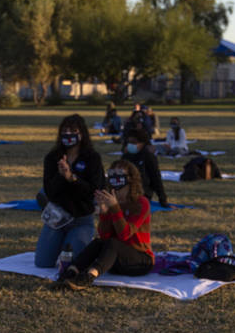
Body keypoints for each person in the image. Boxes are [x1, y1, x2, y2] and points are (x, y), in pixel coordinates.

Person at [56, 160, 153, 289]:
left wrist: (114, 208)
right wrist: (104, 212)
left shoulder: (141, 202)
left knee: (114, 242)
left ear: (130, 178)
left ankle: (89, 277)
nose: (115, 177)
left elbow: (125, 235)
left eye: (119, 173)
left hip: (140, 260)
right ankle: (71, 271)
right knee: (98, 242)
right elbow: (104, 236)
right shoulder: (112, 201)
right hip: (117, 260)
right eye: (112, 174)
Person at [34, 114, 105, 269]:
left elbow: (93, 191)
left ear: (82, 133)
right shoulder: (52, 158)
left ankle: (74, 242)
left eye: (73, 130)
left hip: (81, 219)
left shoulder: (92, 158)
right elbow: (50, 192)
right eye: (64, 130)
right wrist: (61, 176)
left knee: (72, 264)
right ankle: (59, 243)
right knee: (42, 263)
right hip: (56, 218)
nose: (68, 134)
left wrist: (72, 178)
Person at [121, 126, 168, 207]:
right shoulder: (126, 156)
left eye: (134, 142)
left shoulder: (148, 157)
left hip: (142, 192)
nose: (130, 145)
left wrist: (162, 199)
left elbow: (156, 178)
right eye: (129, 142)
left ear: (142, 143)